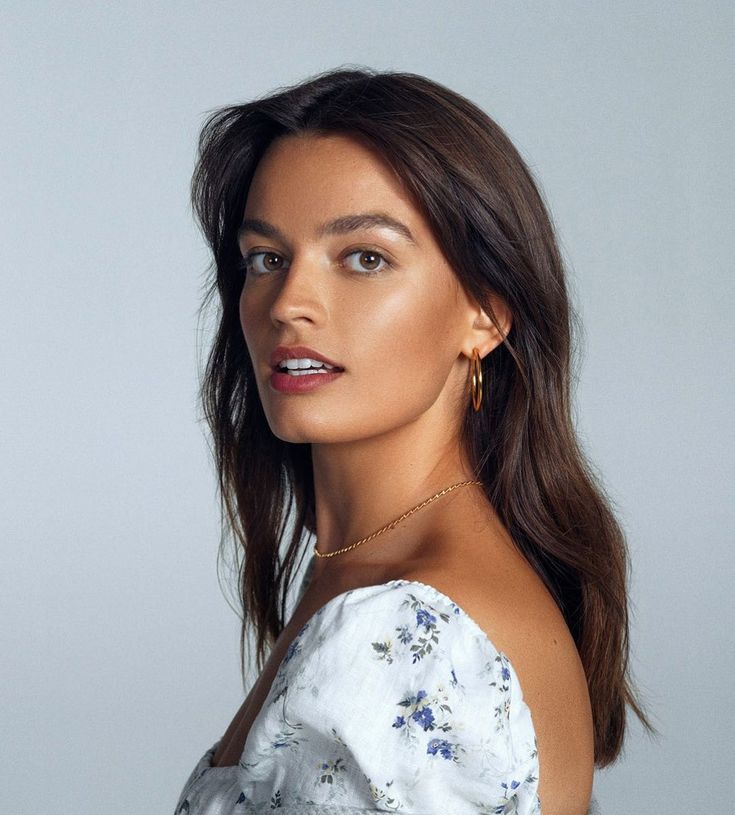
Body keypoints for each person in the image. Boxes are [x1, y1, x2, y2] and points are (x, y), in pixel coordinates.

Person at [174, 67, 653, 815]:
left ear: (485, 315)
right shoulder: (363, 571)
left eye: (364, 257)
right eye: (266, 258)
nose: (289, 303)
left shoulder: (407, 628)